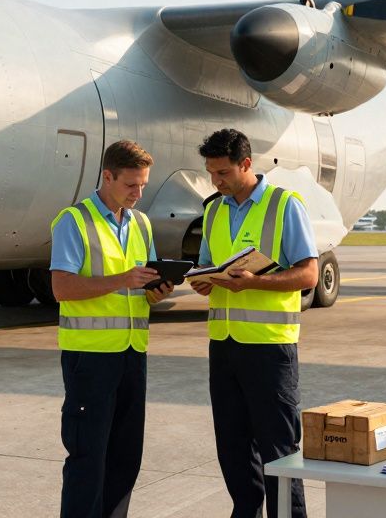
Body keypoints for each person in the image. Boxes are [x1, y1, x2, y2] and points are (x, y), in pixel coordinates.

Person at [190, 128, 319, 518]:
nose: (216, 181)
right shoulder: (213, 209)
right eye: (212, 173)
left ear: (246, 164)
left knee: (278, 449)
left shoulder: (285, 205)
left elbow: (309, 274)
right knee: (231, 445)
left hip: (269, 347)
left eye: (223, 172)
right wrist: (202, 280)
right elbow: (208, 267)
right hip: (224, 345)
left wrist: (256, 283)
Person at [50, 139, 174, 518]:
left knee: (126, 458)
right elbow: (62, 288)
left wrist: (157, 291)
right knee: (88, 459)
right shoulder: (74, 221)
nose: (138, 193)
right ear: (107, 175)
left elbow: (140, 288)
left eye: (143, 185)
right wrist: (123, 279)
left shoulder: (141, 223)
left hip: (133, 354)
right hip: (90, 358)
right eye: (130, 185)